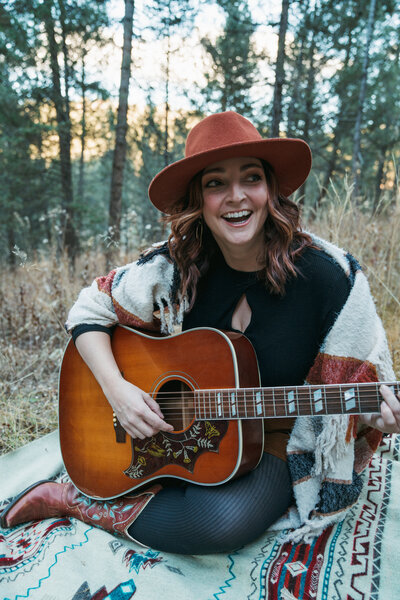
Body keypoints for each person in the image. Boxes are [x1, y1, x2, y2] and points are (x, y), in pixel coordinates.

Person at [2, 111, 400, 552]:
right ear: (199, 198)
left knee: (219, 524)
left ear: (270, 189)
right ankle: (134, 481)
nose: (236, 197)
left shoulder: (330, 279)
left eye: (251, 177)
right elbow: (89, 309)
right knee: (171, 473)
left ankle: (74, 501)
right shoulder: (177, 265)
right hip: (175, 431)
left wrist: (371, 414)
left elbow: (357, 386)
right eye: (216, 183)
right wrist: (116, 390)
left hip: (271, 436)